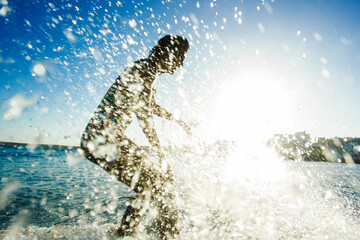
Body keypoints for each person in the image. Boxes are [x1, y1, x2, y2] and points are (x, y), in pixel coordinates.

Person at [80, 34, 191, 239]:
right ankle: (169, 237)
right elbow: (144, 116)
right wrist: (162, 156)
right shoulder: (146, 69)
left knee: (149, 187)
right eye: (181, 56)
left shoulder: (148, 71)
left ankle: (125, 234)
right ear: (168, 51)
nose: (181, 63)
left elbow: (150, 106)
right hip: (103, 137)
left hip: (96, 139)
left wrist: (176, 120)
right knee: (161, 185)